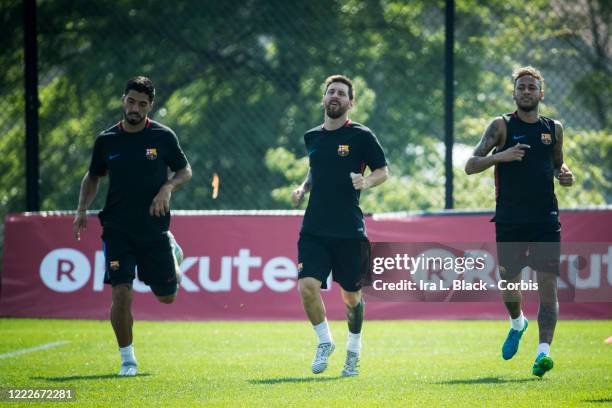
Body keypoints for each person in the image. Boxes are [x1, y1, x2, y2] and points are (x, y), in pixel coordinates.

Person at [72, 76, 192, 376]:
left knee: (167, 297)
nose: (135, 108)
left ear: (150, 106)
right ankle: (128, 359)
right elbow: (93, 176)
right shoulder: (106, 140)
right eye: (131, 101)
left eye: (142, 104)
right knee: (121, 292)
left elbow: (184, 170)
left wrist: (167, 188)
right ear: (123, 100)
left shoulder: (163, 137)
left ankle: (172, 253)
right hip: (116, 227)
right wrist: (82, 209)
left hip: (153, 229)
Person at [465, 66, 574, 378]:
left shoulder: (554, 128)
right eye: (521, 87)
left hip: (545, 220)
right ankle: (517, 323)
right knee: (510, 287)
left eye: (532, 87)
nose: (526, 91)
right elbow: (471, 165)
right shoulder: (501, 126)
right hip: (510, 221)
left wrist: (564, 174)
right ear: (514, 93)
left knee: (548, 286)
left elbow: (557, 164)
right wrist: (501, 156)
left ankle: (543, 354)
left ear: (541, 93)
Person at [292, 74, 389, 377]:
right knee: (307, 287)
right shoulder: (312, 137)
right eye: (331, 92)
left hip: (349, 230)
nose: (335, 96)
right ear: (324, 99)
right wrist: (303, 188)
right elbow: (315, 170)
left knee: (352, 298)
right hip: (315, 229)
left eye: (342, 93)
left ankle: (354, 351)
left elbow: (383, 171)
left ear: (351, 102)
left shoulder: (362, 136)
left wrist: (367, 181)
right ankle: (324, 342)